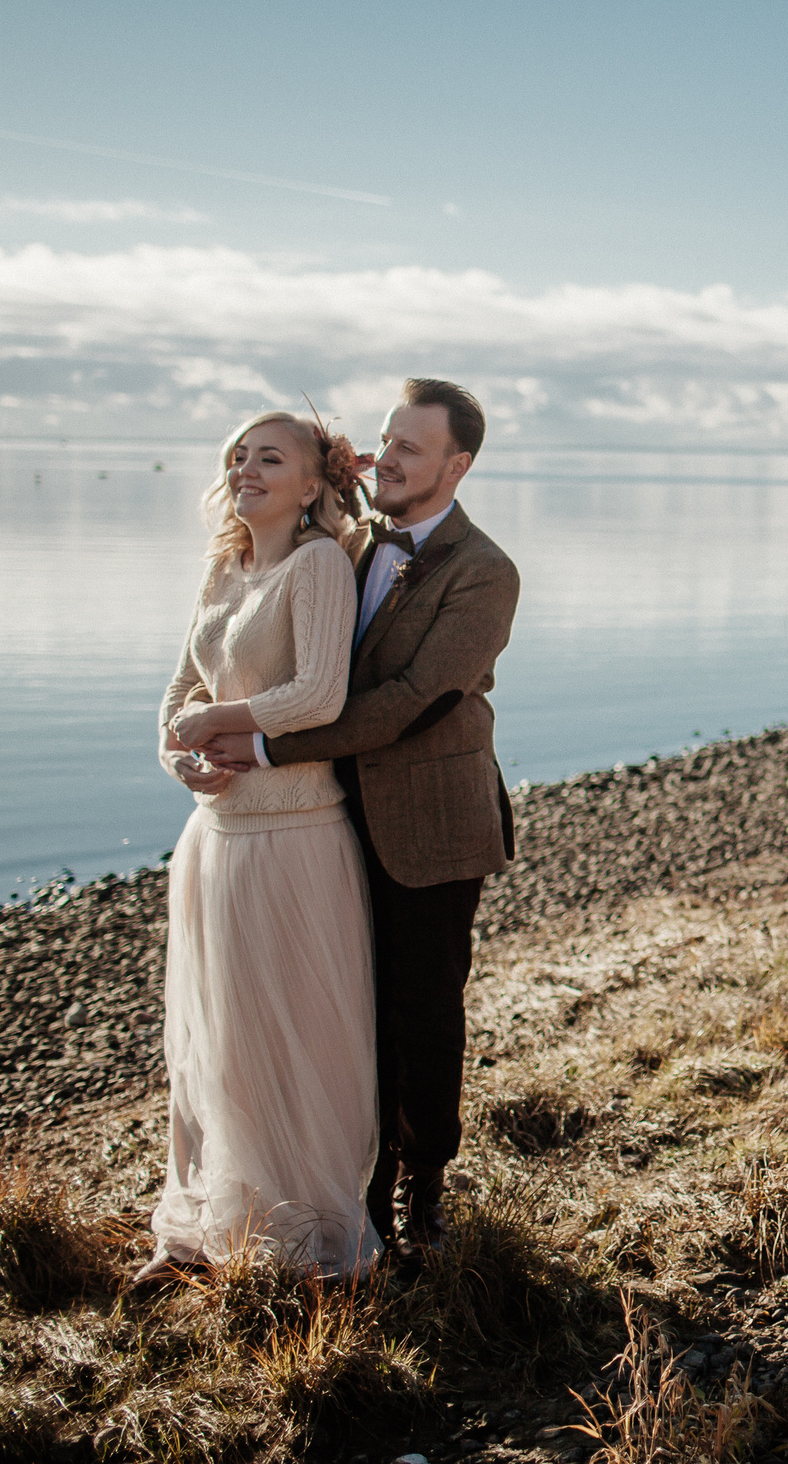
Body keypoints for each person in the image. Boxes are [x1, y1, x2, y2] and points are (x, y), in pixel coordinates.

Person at [201, 377, 519, 1257]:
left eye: (410, 447)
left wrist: (260, 750)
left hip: (433, 826)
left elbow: (411, 701)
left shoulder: (486, 571)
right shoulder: (343, 545)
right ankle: (351, 1188)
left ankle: (426, 1191)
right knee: (345, 1007)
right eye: (384, 440)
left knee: (422, 1010)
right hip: (334, 818)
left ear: (456, 464)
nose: (387, 457)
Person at [148, 409, 381, 1280]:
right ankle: (206, 1228)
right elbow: (176, 693)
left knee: (294, 1040)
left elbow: (318, 693)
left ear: (313, 484)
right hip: (212, 839)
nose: (246, 468)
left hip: (293, 838)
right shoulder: (223, 567)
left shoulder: (320, 564)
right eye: (238, 455)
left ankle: (303, 1240)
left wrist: (221, 718)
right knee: (218, 1042)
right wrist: (179, 752)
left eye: (269, 457)